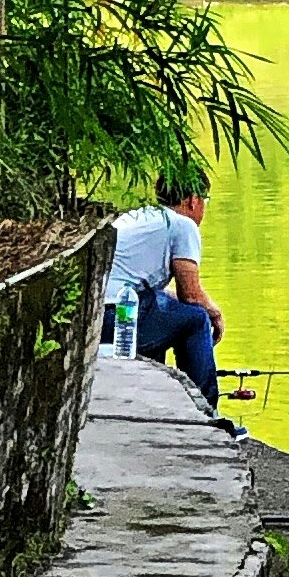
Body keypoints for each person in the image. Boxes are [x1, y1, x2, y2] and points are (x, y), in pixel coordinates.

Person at [109, 171, 224, 418]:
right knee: (195, 320)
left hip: (99, 312)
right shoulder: (183, 225)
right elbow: (191, 296)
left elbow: (151, 289)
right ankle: (205, 412)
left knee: (165, 308)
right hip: (119, 319)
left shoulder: (138, 216)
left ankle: (152, 405)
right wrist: (215, 313)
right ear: (193, 200)